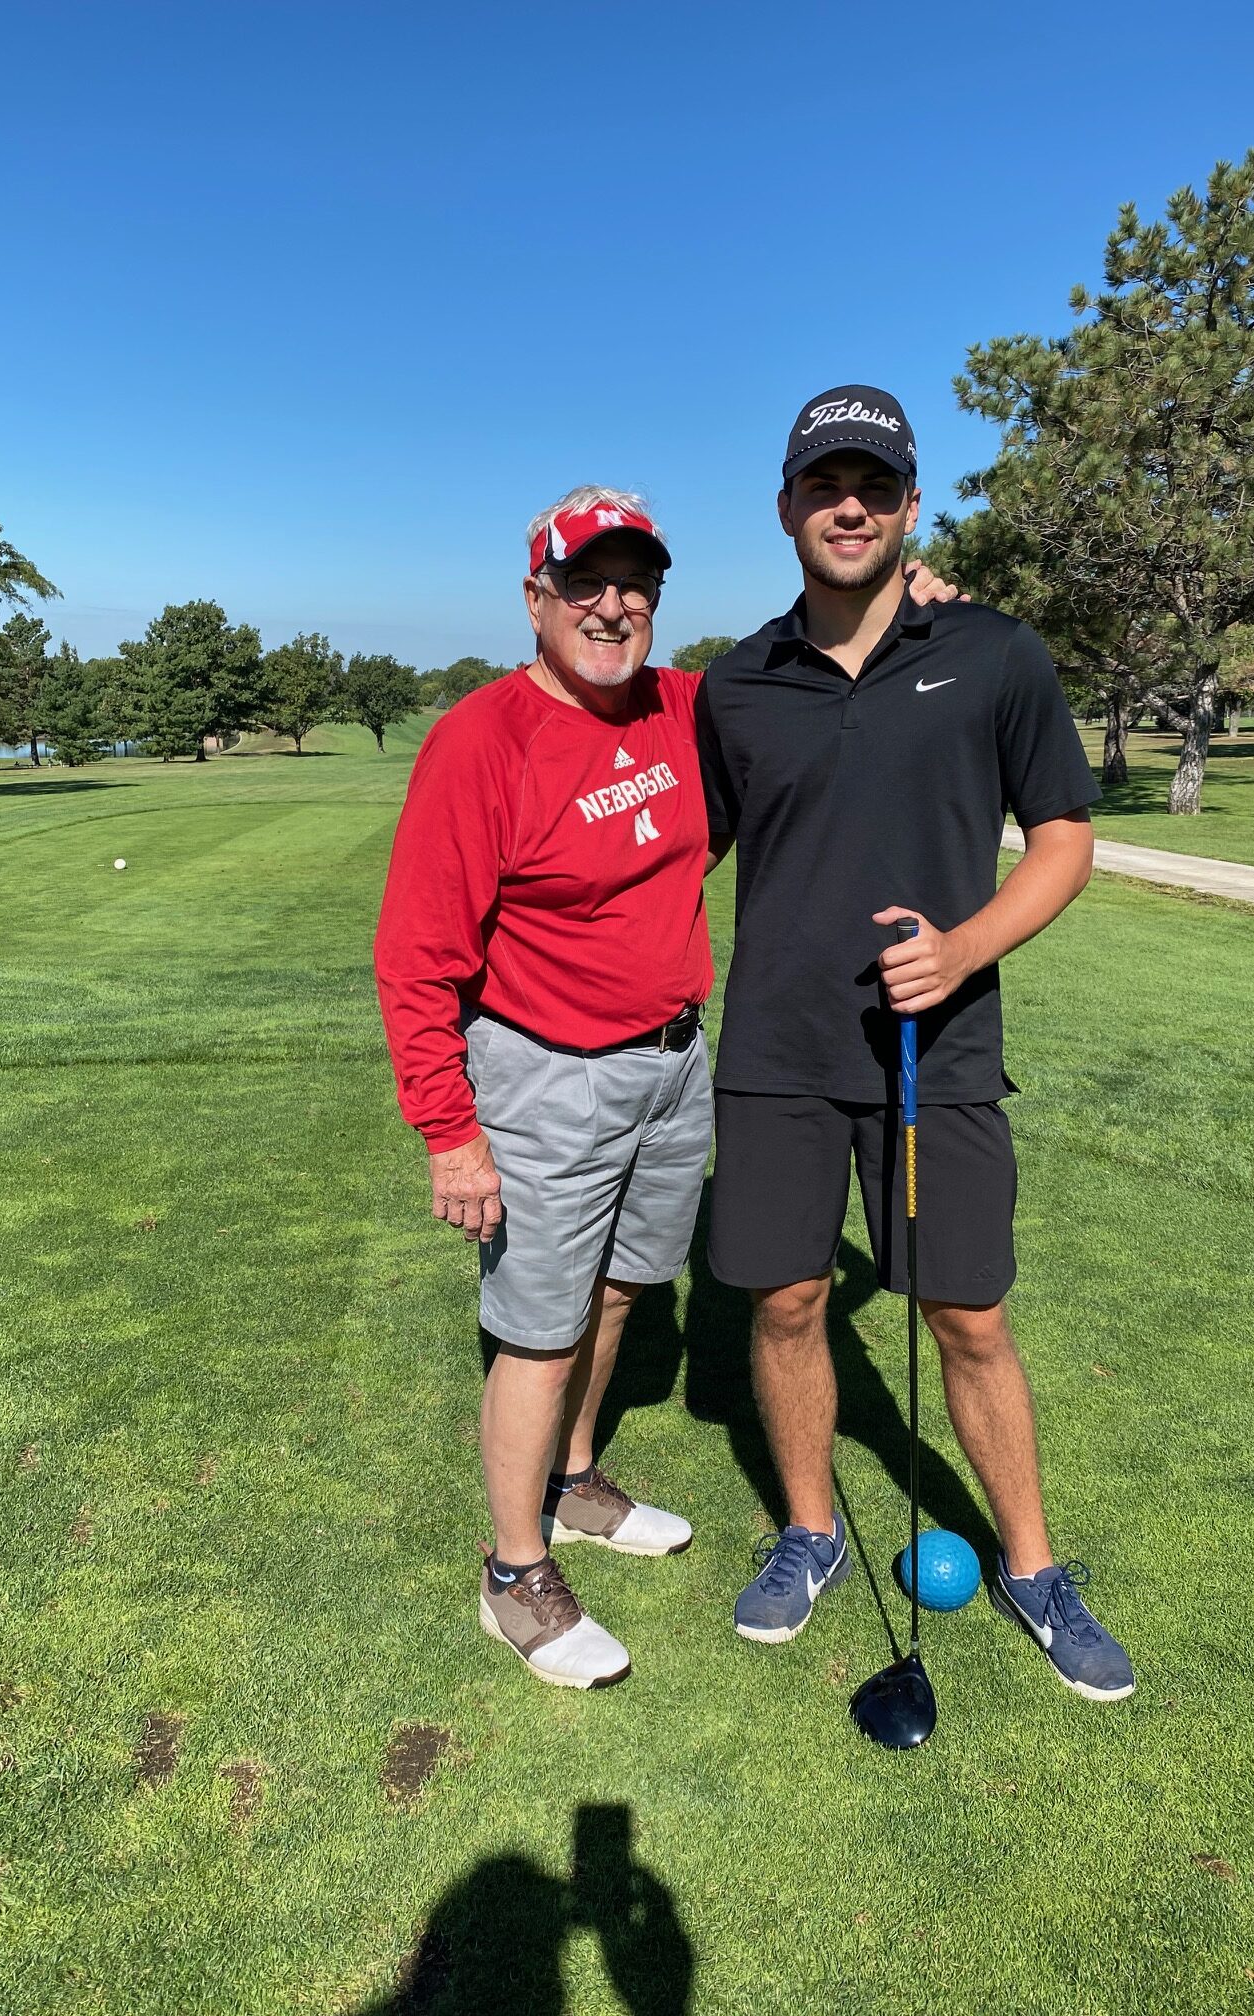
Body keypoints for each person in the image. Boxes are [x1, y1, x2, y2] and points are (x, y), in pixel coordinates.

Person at [698, 386, 1135, 1701]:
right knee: (783, 1300)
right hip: (774, 1052)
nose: (849, 507)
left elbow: (1065, 839)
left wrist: (963, 949)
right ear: (786, 507)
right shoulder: (735, 683)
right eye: (825, 485)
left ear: (908, 508)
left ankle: (1036, 1569)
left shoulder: (993, 653)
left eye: (874, 488)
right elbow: (677, 846)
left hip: (933, 1058)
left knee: (968, 1315)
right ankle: (814, 1533)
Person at [374, 488, 712, 1688]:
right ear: (537, 599)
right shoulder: (482, 738)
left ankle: (573, 1489)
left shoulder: (684, 706)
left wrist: (911, 602)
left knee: (624, 1291)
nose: (611, 605)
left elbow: (810, 669)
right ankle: (515, 1573)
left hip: (676, 1062)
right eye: (585, 583)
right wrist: (449, 1132)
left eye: (634, 585)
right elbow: (417, 954)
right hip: (545, 1076)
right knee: (537, 1326)